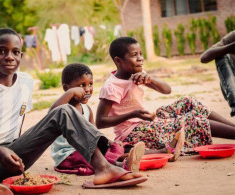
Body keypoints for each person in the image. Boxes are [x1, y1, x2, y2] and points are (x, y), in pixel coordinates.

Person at [0, 29, 145, 195]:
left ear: (21, 56)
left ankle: (103, 168)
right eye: (1, 51)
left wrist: (12, 152)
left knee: (63, 110)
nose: (9, 57)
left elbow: (18, 124)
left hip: (13, 156)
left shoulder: (26, 82)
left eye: (15, 52)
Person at [95, 37, 235, 159]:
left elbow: (167, 90)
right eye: (134, 55)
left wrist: (150, 80)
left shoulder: (136, 74)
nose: (140, 58)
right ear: (118, 61)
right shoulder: (112, 86)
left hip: (146, 122)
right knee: (190, 122)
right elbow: (101, 122)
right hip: (132, 133)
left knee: (188, 102)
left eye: (141, 54)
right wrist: (133, 114)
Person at [50, 63, 145, 174]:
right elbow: (52, 112)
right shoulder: (63, 108)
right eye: (81, 85)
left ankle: (125, 157)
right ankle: (121, 164)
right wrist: (70, 93)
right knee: (92, 158)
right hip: (68, 154)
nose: (87, 89)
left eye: (90, 84)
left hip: (87, 150)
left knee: (114, 146)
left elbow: (94, 134)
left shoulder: (86, 109)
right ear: (66, 88)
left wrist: (108, 142)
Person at [200, 30, 235, 117]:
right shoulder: (233, 36)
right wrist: (231, 47)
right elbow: (204, 58)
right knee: (221, 55)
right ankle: (234, 100)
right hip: (232, 86)